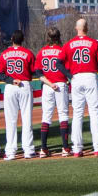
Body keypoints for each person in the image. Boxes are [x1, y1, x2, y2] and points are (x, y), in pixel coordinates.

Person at [63, 19, 98, 157]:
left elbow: (58, 62)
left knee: (77, 114)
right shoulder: (94, 43)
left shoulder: (69, 44)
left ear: (76, 28)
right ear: (87, 28)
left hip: (76, 78)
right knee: (94, 112)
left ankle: (77, 148)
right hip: (90, 77)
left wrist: (69, 75)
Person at [0, 30, 36, 160]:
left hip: (10, 86)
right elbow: (34, 71)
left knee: (11, 120)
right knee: (27, 118)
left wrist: (10, 80)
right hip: (24, 85)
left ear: (12, 39)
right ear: (22, 39)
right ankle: (28, 150)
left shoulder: (5, 53)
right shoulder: (28, 53)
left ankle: (11, 151)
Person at [36, 29, 71, 158]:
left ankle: (43, 149)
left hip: (47, 85)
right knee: (63, 114)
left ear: (48, 37)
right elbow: (67, 68)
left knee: (46, 116)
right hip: (60, 84)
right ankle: (65, 148)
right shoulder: (62, 51)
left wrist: (49, 83)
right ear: (59, 37)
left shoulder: (41, 52)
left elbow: (38, 73)